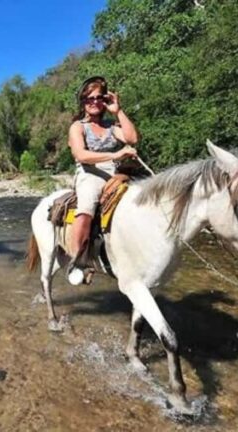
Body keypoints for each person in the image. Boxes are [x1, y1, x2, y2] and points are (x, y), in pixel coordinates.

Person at [67, 76, 139, 282]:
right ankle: (77, 261)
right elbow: (81, 155)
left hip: (116, 171)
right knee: (86, 207)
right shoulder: (78, 126)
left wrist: (118, 111)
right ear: (83, 101)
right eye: (89, 98)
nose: (94, 102)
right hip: (90, 172)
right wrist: (116, 155)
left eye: (99, 97)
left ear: (105, 100)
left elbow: (132, 139)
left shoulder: (111, 126)